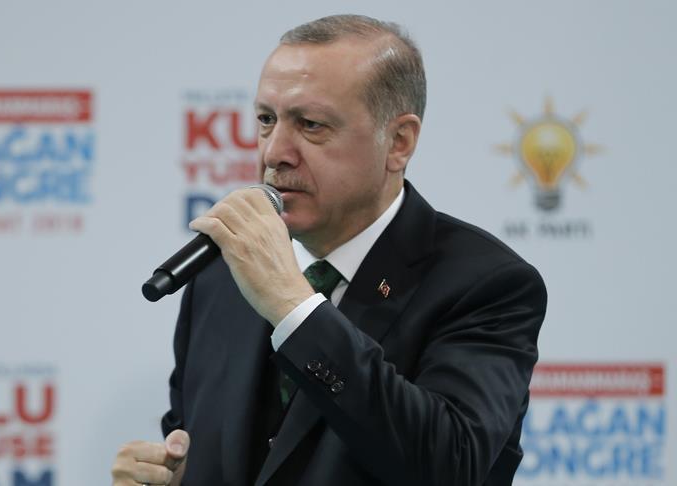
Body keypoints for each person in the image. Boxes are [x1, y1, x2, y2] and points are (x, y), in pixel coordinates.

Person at [111, 14, 546, 486]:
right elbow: (198, 444)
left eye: (311, 124)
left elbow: (450, 465)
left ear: (398, 142)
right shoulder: (221, 275)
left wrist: (293, 308)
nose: (274, 152)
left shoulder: (485, 283)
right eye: (266, 120)